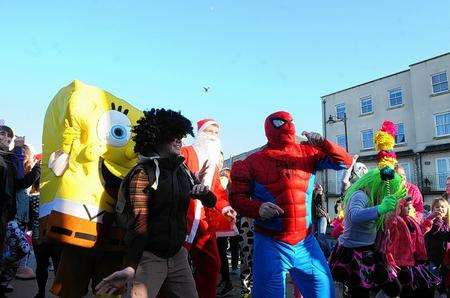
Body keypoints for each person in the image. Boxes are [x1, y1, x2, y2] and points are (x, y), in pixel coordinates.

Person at [96, 108, 216, 298]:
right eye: (173, 136)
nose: (179, 140)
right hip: (148, 259)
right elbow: (139, 224)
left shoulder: (182, 170)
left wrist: (204, 192)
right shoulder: (142, 174)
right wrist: (131, 267)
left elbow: (211, 202)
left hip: (178, 257)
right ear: (156, 138)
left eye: (181, 136)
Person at [230, 111, 352, 297]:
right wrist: (258, 208)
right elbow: (237, 198)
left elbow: (345, 162)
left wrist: (323, 143)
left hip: (305, 242)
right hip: (271, 242)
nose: (288, 125)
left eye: (290, 121)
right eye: (281, 122)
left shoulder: (307, 152)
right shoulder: (252, 162)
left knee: (324, 291)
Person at [329, 120, 406, 298]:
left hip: (370, 250)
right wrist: (380, 208)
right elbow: (355, 216)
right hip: (352, 252)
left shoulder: (374, 198)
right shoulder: (360, 196)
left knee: (394, 289)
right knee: (360, 292)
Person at [181, 119, 237, 298]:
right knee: (174, 265)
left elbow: (217, 191)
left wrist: (226, 207)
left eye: (216, 133)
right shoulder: (186, 153)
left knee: (212, 263)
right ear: (200, 133)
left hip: (203, 219)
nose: (213, 136)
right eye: (209, 132)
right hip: (183, 217)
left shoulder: (213, 162)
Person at [422, 196, 450, 297]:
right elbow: (435, 232)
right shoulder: (431, 222)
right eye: (437, 207)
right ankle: (433, 292)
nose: (440, 209)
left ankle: (442, 291)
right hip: (433, 258)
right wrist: (437, 218)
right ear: (432, 210)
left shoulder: (447, 223)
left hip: (444, 258)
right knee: (433, 279)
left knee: (443, 278)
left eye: (443, 207)